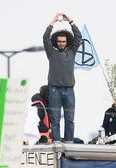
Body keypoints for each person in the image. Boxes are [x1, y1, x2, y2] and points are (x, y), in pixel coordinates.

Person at [43, 12, 82, 144]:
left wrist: (69, 20)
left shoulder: (72, 52)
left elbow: (78, 36)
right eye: (59, 41)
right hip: (54, 90)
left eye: (63, 41)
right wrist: (54, 20)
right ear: (56, 42)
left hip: (69, 90)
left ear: (67, 42)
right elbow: (45, 37)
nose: (61, 43)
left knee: (70, 118)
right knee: (55, 119)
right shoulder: (51, 53)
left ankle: (69, 143)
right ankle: (56, 142)